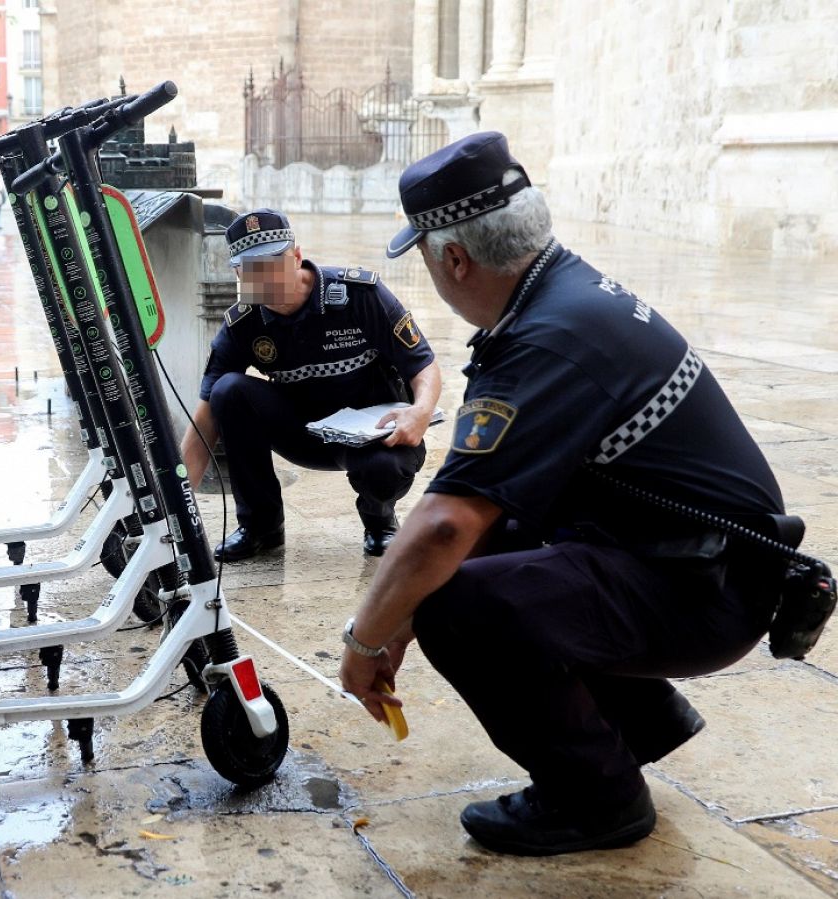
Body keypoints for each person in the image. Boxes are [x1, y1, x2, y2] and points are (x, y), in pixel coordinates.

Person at [336, 132, 791, 857]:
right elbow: (481, 511)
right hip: (702, 563)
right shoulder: (564, 294)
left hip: (708, 590)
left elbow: (444, 525)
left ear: (455, 259)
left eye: (424, 255)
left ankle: (595, 798)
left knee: (458, 608)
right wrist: (400, 615)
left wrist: (367, 638)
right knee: (491, 546)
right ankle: (635, 727)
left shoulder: (545, 340)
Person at [181, 208, 441, 561]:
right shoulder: (244, 324)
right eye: (253, 269)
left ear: (296, 256)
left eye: (274, 264)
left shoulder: (358, 294)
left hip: (371, 435)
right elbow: (204, 420)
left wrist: (421, 412)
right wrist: (176, 506)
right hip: (302, 433)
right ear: (238, 273)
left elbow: (423, 364)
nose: (266, 278)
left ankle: (380, 521)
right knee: (227, 391)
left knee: (385, 469)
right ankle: (261, 527)